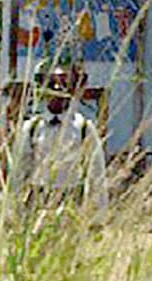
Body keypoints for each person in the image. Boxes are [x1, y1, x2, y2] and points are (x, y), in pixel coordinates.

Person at [9, 64, 109, 222]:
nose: (57, 92)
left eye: (63, 86)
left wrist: (98, 216)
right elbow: (19, 170)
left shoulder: (83, 128)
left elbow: (97, 171)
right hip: (39, 200)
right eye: (52, 86)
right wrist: (12, 210)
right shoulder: (33, 127)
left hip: (71, 201)